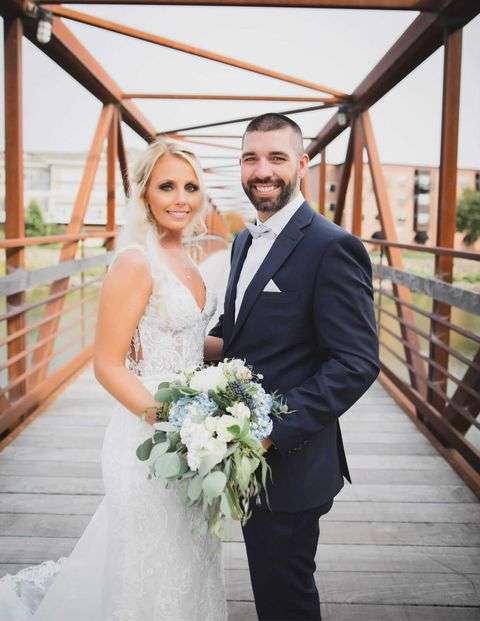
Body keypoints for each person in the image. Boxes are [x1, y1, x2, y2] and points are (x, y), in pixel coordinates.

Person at [0, 139, 227, 620]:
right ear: (144, 194)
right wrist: (176, 426)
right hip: (149, 435)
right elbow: (107, 364)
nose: (181, 198)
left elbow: (188, 341)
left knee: (190, 556)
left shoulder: (188, 261)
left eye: (190, 186)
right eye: (167, 186)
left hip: (195, 438)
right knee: (148, 560)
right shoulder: (134, 262)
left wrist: (241, 368)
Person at [209, 113, 379, 621]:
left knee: (285, 597)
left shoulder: (331, 246)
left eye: (277, 158)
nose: (263, 170)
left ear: (302, 164)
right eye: (251, 158)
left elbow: (355, 362)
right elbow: (238, 333)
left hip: (291, 463)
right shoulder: (244, 240)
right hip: (242, 455)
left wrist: (266, 433)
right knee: (270, 586)